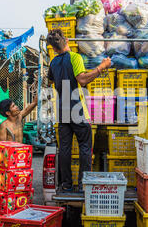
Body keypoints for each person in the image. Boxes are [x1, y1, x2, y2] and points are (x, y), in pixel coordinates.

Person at [47, 28, 111, 193]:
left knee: (65, 149)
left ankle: (67, 184)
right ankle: (84, 184)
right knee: (84, 146)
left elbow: (51, 81)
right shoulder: (75, 57)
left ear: (53, 48)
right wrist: (101, 67)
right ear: (67, 40)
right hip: (76, 107)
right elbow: (82, 80)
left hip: (62, 109)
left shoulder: (53, 62)